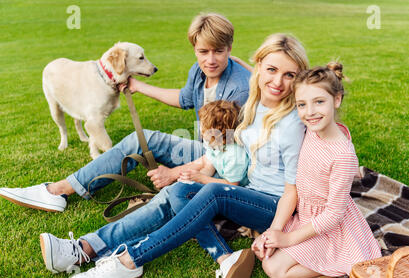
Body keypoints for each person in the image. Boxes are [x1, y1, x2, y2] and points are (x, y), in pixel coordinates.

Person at [62, 33, 309, 278]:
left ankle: (130, 260)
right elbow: (257, 74)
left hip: (271, 204)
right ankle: (226, 259)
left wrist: (277, 232)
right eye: (271, 69)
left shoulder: (292, 122)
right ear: (259, 67)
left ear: (298, 79)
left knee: (211, 191)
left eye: (290, 75)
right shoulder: (256, 100)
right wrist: (240, 61)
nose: (278, 82)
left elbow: (292, 191)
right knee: (181, 189)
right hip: (246, 191)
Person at [0, 12, 250, 213]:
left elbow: (223, 156)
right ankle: (59, 190)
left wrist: (177, 174)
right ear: (195, 49)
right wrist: (139, 86)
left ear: (229, 47)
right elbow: (184, 99)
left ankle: (62, 193)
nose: (210, 60)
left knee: (171, 184)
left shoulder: (238, 89)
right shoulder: (199, 71)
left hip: (229, 166)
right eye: (203, 51)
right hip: (209, 149)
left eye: (218, 51)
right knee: (141, 139)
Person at [253, 62, 381, 278]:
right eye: (301, 105)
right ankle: (309, 253)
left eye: (319, 102)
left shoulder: (341, 154)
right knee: (269, 251)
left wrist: (289, 239)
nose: (310, 112)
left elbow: (333, 214)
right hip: (304, 214)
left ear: (337, 99)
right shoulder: (310, 130)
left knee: (274, 269)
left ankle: (341, 262)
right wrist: (275, 233)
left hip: (329, 227)